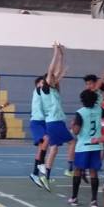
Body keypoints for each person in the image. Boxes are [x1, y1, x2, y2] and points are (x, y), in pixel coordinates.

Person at [66, 58, 104, 176]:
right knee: (81, 140)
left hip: (97, 114)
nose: (88, 86)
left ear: (95, 83)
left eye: (90, 83)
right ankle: (76, 166)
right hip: (90, 115)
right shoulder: (90, 92)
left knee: (97, 143)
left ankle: (89, 167)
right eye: (86, 84)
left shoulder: (97, 90)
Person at [36, 43, 74, 190]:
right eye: (50, 77)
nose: (53, 77)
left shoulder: (54, 90)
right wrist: (55, 52)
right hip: (54, 122)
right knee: (72, 142)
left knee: (54, 149)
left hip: (55, 122)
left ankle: (45, 176)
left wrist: (62, 56)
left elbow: (56, 72)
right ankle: (70, 168)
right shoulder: (46, 90)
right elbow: (52, 69)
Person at [69, 89, 104, 207]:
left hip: (83, 146)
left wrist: (72, 125)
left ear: (83, 100)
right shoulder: (99, 110)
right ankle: (94, 200)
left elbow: (76, 131)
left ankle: (74, 197)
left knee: (78, 170)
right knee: (93, 172)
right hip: (96, 145)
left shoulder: (80, 112)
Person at [29, 75, 49, 188]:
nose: (43, 84)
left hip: (43, 122)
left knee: (41, 148)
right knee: (47, 139)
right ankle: (41, 164)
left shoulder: (45, 94)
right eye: (42, 82)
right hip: (36, 122)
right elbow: (47, 82)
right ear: (37, 85)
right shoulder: (37, 91)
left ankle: (35, 174)